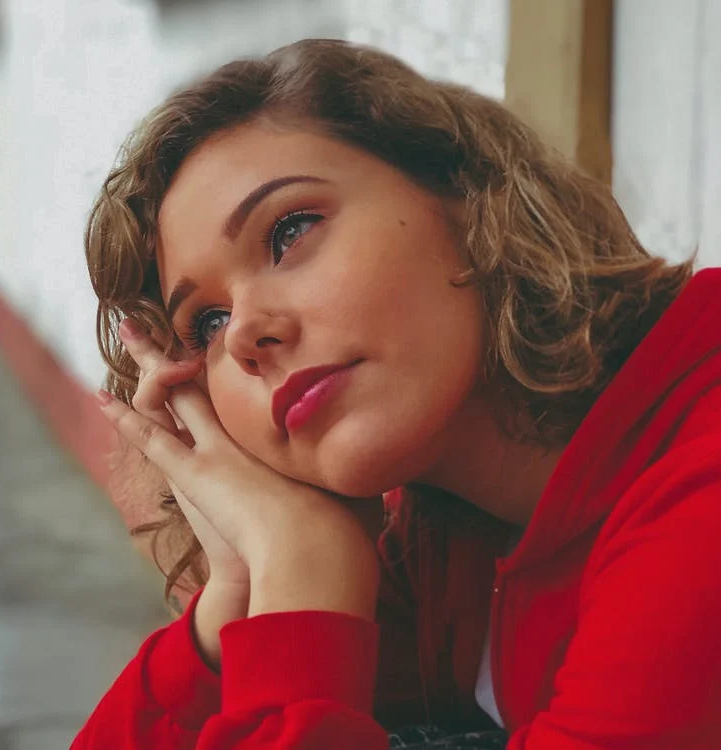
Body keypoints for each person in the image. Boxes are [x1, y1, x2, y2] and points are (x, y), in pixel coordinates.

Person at [71, 38, 721, 750]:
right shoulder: (439, 531)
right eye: (209, 322)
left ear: (467, 196)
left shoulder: (700, 492)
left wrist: (303, 572)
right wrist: (232, 602)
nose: (248, 333)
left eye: (289, 231)